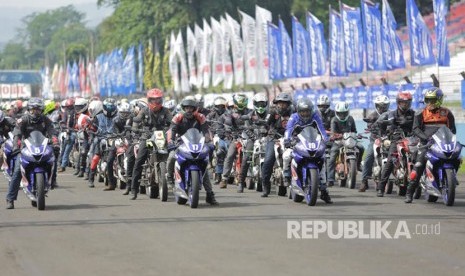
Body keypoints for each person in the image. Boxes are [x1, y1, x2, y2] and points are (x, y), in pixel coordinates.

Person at [405, 87, 456, 203]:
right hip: (425, 144)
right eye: (427, 100)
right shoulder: (420, 113)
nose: (429, 103)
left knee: (455, 157)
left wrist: (450, 139)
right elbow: (416, 129)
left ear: (439, 100)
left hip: (440, 143)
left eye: (432, 100)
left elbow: (452, 130)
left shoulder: (447, 113)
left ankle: (449, 179)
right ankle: (409, 193)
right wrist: (425, 138)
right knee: (418, 165)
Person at [6, 98, 59, 209]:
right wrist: (16, 145)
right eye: (33, 110)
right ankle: (10, 199)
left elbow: (52, 131)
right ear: (29, 110)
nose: (36, 112)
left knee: (53, 158)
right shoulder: (23, 120)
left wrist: (55, 141)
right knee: (16, 172)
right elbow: (17, 133)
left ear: (42, 110)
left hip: (42, 146)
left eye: (38, 110)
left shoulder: (45, 120)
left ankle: (53, 180)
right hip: (26, 148)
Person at [166, 97, 218, 205]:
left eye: (191, 108)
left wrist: (209, 142)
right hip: (181, 142)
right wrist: (171, 141)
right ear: (183, 108)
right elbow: (172, 130)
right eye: (186, 108)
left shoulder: (200, 117)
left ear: (195, 109)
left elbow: (206, 131)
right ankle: (170, 177)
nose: (189, 110)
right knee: (171, 156)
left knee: (203, 167)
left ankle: (210, 194)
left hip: (196, 143)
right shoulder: (178, 117)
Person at [284, 97, 332, 203]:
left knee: (323, 159)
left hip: (312, 141)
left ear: (311, 110)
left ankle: (324, 189)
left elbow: (321, 129)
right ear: (298, 111)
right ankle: (286, 175)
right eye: (303, 112)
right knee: (286, 155)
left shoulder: (315, 116)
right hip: (297, 141)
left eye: (307, 111)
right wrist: (287, 140)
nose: (305, 114)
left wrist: (326, 140)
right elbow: (288, 129)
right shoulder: (294, 117)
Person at [127, 88, 172, 198]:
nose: (156, 103)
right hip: (147, 139)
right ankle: (134, 189)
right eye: (153, 100)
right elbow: (137, 120)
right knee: (139, 160)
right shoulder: (144, 111)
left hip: (162, 137)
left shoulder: (166, 111)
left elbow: (173, 123)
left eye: (158, 100)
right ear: (149, 100)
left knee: (173, 156)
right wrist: (135, 128)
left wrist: (172, 129)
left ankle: (176, 181)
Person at [373, 92, 415, 197]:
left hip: (411, 140)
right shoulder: (393, 114)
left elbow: (417, 125)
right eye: (403, 103)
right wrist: (391, 131)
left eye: (407, 103)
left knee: (420, 158)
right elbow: (391, 124)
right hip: (397, 140)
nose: (405, 105)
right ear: (398, 103)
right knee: (390, 162)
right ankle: (381, 188)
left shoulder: (413, 113)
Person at [236, 92, 270, 193]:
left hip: (266, 139)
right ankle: (241, 182)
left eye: (262, 104)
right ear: (255, 104)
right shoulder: (250, 115)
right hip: (253, 139)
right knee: (247, 157)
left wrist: (269, 135)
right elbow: (246, 129)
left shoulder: (269, 115)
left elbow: (271, 126)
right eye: (258, 104)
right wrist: (254, 137)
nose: (260, 106)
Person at [261, 92, 293, 197]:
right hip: (274, 139)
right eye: (280, 103)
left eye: (284, 103)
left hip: (291, 139)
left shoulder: (293, 112)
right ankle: (266, 186)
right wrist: (264, 130)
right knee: (268, 160)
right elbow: (265, 123)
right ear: (277, 103)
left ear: (288, 104)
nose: (282, 105)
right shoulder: (272, 112)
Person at [327, 101, 365, 187]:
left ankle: (358, 165)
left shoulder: (351, 119)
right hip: (339, 141)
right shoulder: (334, 120)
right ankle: (330, 179)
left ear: (347, 112)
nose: (342, 115)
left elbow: (354, 130)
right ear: (337, 113)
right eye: (340, 113)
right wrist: (335, 136)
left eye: (344, 113)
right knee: (332, 157)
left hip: (350, 140)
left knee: (361, 148)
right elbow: (333, 132)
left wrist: (356, 135)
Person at [218, 93, 252, 189]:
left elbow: (255, 120)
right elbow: (228, 121)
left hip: (250, 138)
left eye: (243, 102)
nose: (241, 105)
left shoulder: (250, 111)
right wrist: (228, 128)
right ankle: (224, 178)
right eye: (239, 102)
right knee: (230, 155)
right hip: (236, 137)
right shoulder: (231, 113)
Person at [360, 95, 390, 192]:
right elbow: (369, 125)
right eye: (380, 106)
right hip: (375, 139)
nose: (382, 108)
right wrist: (371, 126)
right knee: (369, 156)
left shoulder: (391, 114)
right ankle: (364, 181)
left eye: (385, 106)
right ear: (376, 106)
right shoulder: (372, 115)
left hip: (387, 140)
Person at [88, 98, 118, 189]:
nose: (109, 110)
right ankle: (91, 178)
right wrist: (91, 130)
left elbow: (122, 126)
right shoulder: (98, 117)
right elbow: (92, 127)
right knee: (96, 157)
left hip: (114, 139)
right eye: (107, 107)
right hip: (101, 138)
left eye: (111, 108)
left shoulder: (117, 117)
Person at [206, 96, 229, 184]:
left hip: (225, 135)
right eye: (218, 106)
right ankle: (217, 172)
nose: (220, 108)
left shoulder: (227, 114)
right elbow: (205, 120)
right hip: (214, 134)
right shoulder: (212, 114)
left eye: (222, 106)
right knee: (215, 150)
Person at [58, 98, 76, 172]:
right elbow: (63, 122)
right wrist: (65, 128)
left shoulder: (76, 112)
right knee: (64, 149)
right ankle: (61, 164)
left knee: (66, 149)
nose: (69, 108)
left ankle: (62, 165)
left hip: (76, 132)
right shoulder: (66, 113)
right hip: (69, 132)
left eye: (70, 106)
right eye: (68, 106)